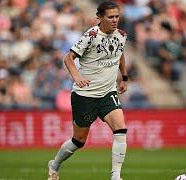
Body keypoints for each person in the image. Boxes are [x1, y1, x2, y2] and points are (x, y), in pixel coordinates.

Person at [48, 1, 128, 180]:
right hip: (85, 96)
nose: (114, 20)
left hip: (108, 93)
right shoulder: (91, 36)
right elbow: (69, 58)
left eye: (117, 16)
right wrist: (77, 77)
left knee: (120, 129)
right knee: (78, 141)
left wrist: (124, 77)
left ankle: (116, 176)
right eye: (110, 17)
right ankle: (54, 164)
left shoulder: (121, 35)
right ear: (99, 17)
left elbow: (120, 53)